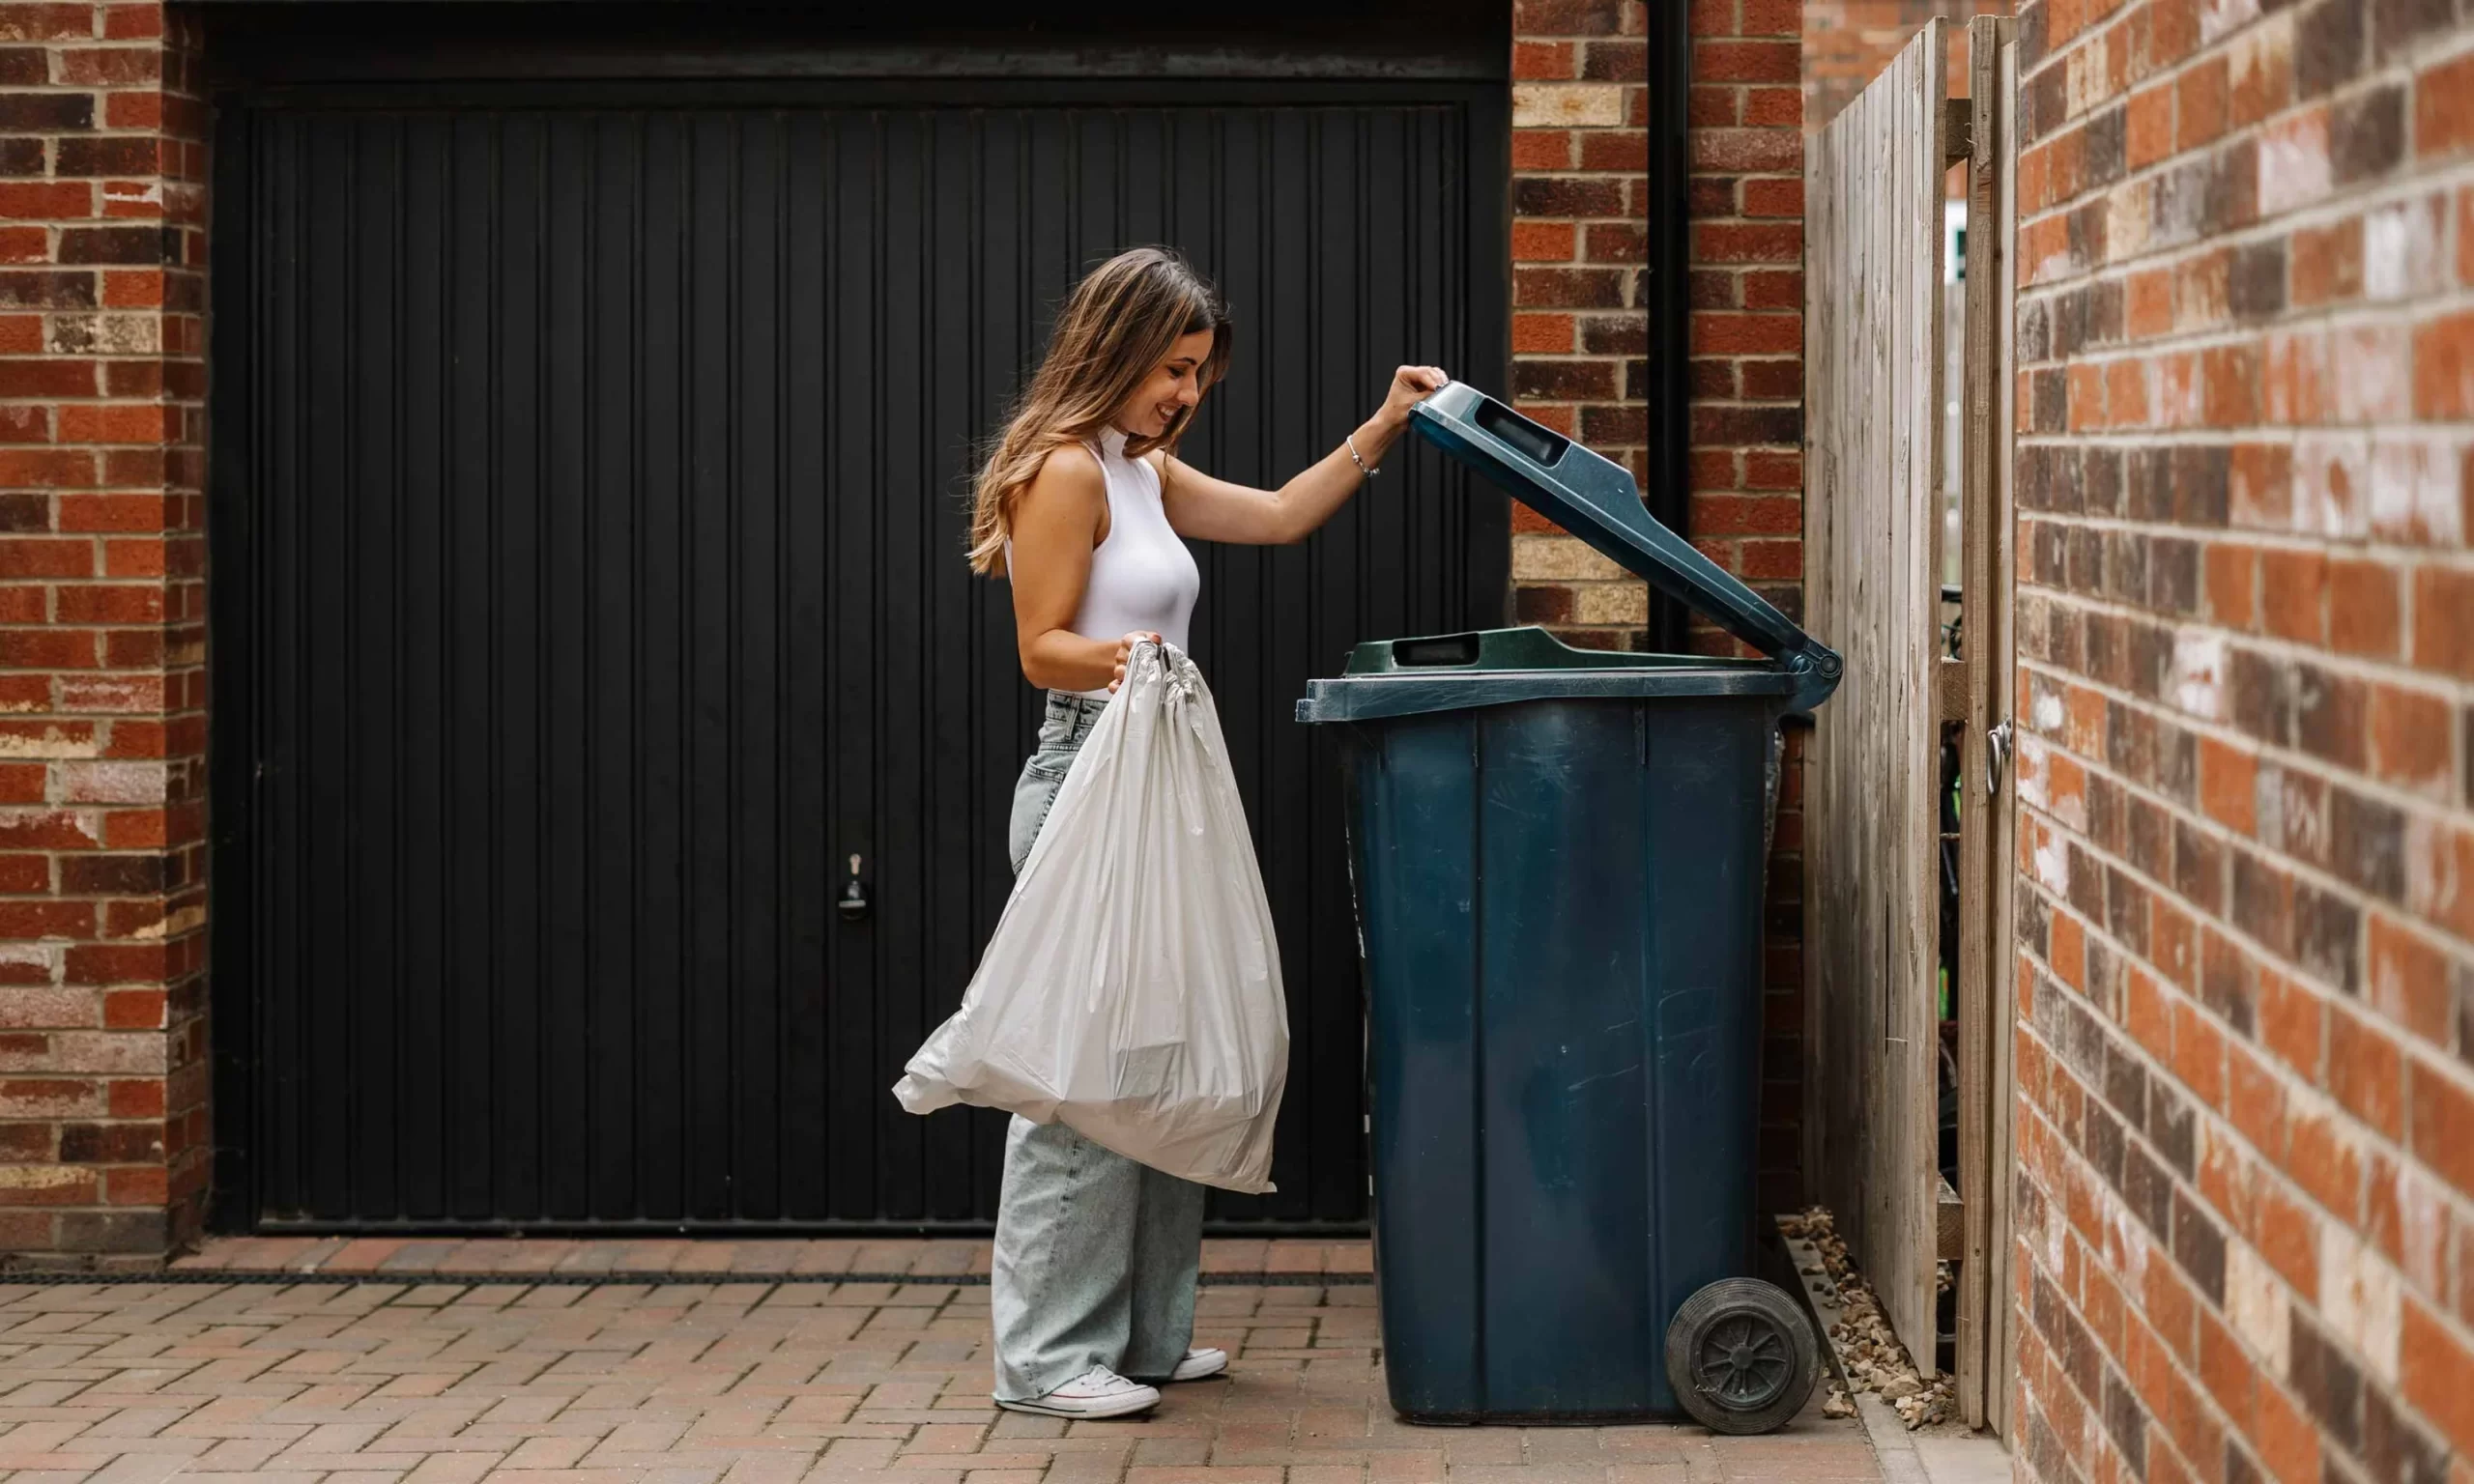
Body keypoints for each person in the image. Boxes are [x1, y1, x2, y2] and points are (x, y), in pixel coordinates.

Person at [964, 245, 1445, 1419]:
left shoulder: (1141, 468)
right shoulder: (1063, 471)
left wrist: (1385, 422)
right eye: (1172, 369)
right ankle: (1043, 1361)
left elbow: (1279, 517)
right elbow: (1041, 647)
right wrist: (1147, 659)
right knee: (1079, 1081)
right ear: (1114, 349)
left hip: (1152, 771)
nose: (1185, 393)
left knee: (1157, 1059)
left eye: (1198, 375)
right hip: (1087, 769)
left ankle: (1141, 1335)